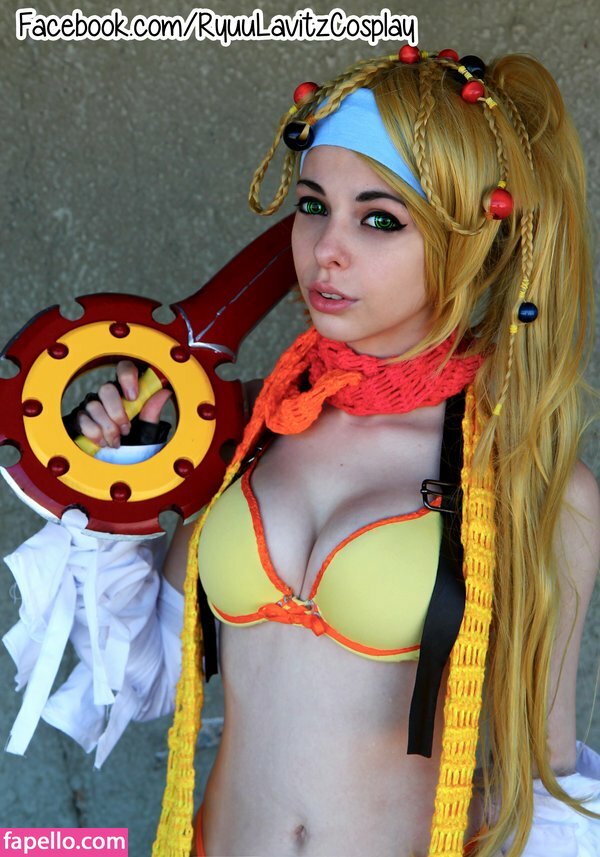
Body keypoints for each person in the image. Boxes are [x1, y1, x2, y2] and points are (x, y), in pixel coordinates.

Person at [4, 47, 600, 857]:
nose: (326, 249)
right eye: (314, 205)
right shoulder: (250, 428)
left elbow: (545, 775)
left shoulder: (530, 480)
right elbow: (142, 674)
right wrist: (122, 482)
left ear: (468, 243)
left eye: (380, 219)